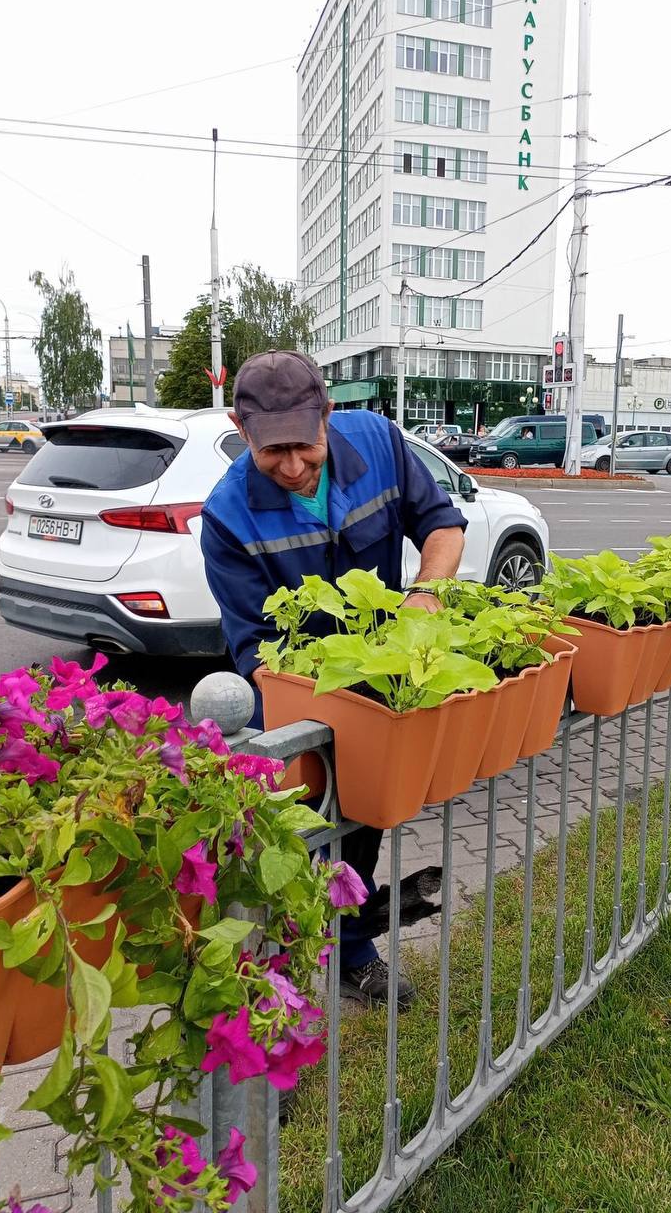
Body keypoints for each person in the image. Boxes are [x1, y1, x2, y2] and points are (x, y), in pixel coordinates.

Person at [200, 351, 467, 1009]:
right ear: (240, 426)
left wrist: (428, 593)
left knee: (361, 833)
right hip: (290, 709)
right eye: (272, 452)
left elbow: (443, 524)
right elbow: (255, 652)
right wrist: (308, 741)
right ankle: (275, 1004)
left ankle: (351, 954)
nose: (292, 467)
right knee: (286, 854)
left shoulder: (378, 443)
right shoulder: (228, 516)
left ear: (327, 413)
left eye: (305, 447)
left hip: (373, 695)